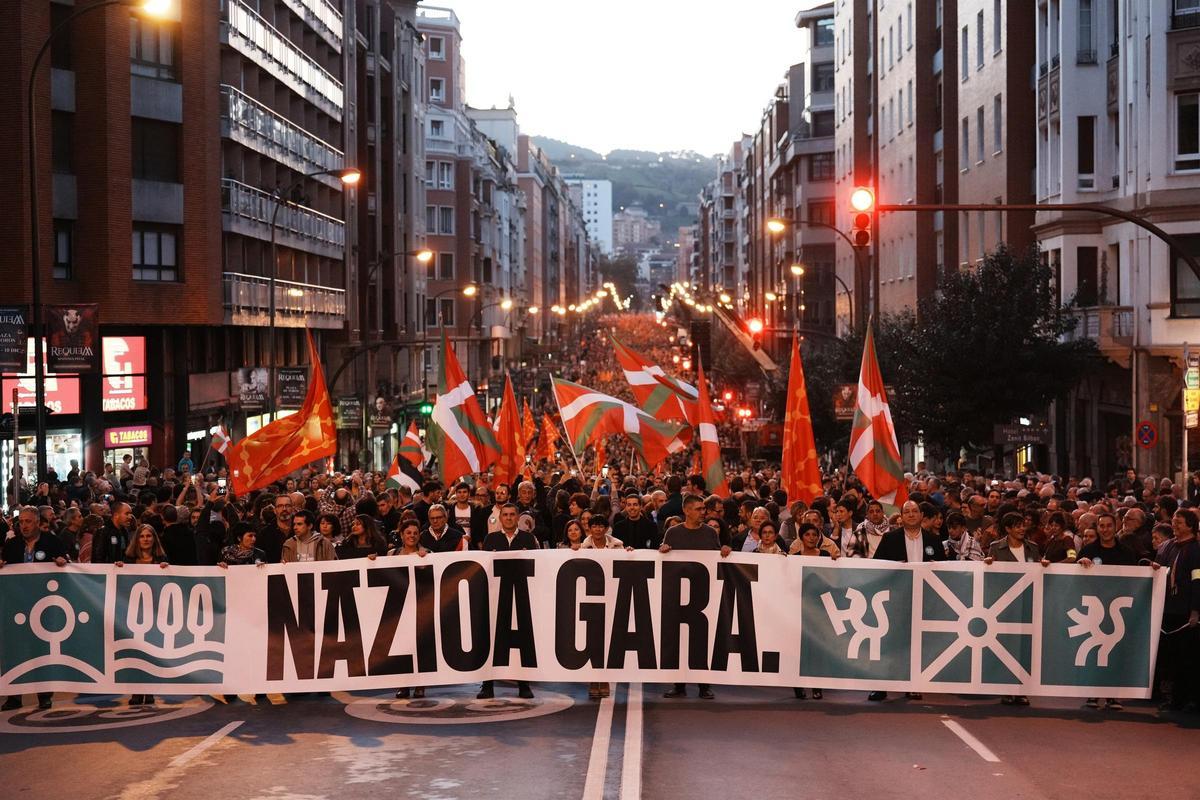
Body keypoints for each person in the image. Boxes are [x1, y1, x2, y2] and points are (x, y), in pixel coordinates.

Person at [659, 495, 731, 700]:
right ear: (687, 511)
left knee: (701, 641)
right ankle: (679, 685)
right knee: (679, 640)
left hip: (703, 596)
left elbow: (717, 558)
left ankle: (703, 685)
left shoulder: (709, 533)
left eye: (703, 509)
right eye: (699, 509)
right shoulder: (673, 533)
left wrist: (725, 550)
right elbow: (664, 557)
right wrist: (663, 550)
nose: (703, 512)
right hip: (678, 596)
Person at [871, 500, 944, 701]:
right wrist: (894, 567)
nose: (911, 515)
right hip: (895, 598)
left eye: (915, 511)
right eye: (907, 512)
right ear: (901, 517)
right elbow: (876, 567)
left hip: (923, 599)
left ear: (922, 516)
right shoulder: (889, 539)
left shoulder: (933, 540)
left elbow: (943, 570)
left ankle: (913, 685)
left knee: (916, 643)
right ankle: (881, 686)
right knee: (889, 643)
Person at [1, 507, 69, 711]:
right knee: (15, 650)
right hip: (17, 607)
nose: (24, 526)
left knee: (42, 651)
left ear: (38, 522)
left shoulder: (52, 541)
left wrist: (62, 563)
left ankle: (44, 695)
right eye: (21, 522)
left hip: (45, 606)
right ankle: (14, 696)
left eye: (28, 522)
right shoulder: (11, 545)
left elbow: (69, 566)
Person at [478, 504, 538, 700]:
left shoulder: (528, 539)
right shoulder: (491, 539)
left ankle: (524, 685)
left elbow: (539, 565)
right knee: (492, 640)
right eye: (506, 515)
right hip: (496, 598)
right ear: (500, 517)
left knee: (524, 641)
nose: (509, 518)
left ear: (518, 517)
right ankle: (487, 686)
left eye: (513, 515)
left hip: (522, 597)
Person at [1154, 509, 1200, 712]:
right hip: (1167, 609)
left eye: (1179, 522)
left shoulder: (1196, 550)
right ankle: (1173, 698)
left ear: (1190, 526)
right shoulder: (1167, 546)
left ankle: (1189, 698)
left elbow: (1197, 581)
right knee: (1170, 657)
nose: (1174, 525)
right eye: (1173, 521)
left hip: (1185, 611)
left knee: (1187, 657)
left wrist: (1195, 611)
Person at [389, 521, 429, 699]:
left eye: (415, 533)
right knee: (402, 646)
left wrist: (426, 562)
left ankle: (420, 685)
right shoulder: (391, 554)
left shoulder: (428, 554)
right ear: (402, 535)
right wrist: (372, 562)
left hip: (421, 605)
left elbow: (433, 580)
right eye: (408, 533)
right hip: (398, 606)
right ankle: (403, 685)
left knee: (420, 646)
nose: (412, 535)